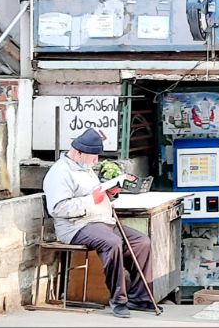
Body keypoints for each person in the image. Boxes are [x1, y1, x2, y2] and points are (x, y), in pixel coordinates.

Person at [42, 128, 160, 318]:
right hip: (77, 226)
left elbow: (98, 196)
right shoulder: (60, 172)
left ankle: (140, 297)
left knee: (142, 242)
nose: (96, 160)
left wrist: (109, 194)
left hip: (103, 220)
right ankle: (118, 300)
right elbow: (58, 209)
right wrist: (92, 200)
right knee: (112, 242)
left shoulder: (85, 168)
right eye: (93, 156)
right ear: (78, 152)